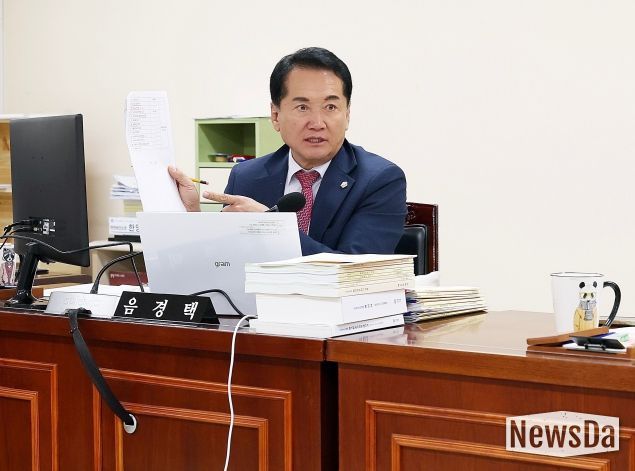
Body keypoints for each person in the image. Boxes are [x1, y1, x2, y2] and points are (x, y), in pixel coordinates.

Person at [169, 47, 407, 255]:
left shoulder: (380, 180)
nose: (317, 123)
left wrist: (270, 226)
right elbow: (224, 260)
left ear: (347, 115)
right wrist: (192, 215)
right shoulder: (246, 176)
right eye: (302, 107)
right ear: (275, 116)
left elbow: (355, 273)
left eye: (330, 107)